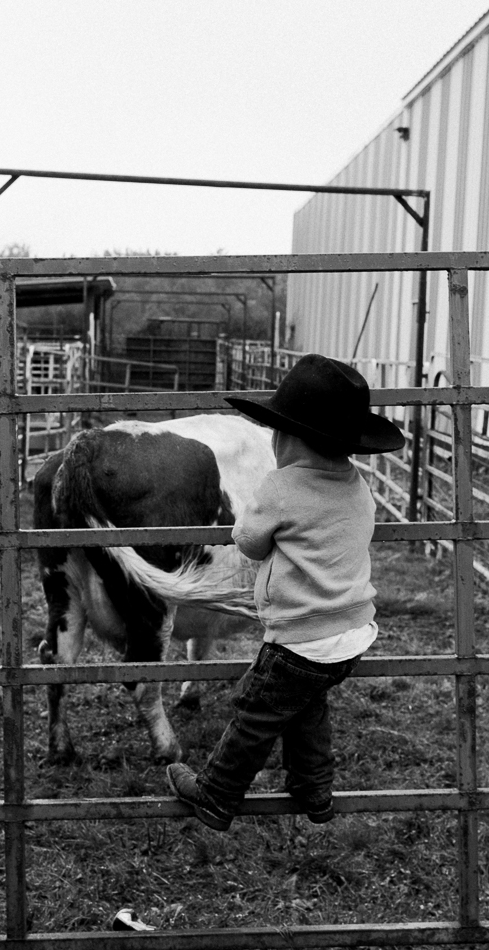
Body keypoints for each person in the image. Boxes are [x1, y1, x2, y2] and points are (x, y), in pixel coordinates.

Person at [166, 353, 405, 831]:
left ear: (289, 437)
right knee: (307, 706)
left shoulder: (279, 486)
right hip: (352, 634)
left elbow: (251, 545)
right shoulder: (358, 486)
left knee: (253, 713)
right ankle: (313, 790)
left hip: (299, 636)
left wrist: (249, 520)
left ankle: (215, 795)